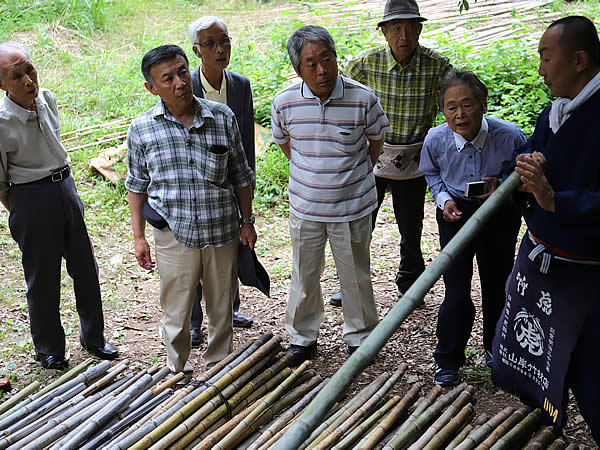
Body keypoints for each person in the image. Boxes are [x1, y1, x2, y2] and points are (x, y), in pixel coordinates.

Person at [491, 16, 600, 443]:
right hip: (543, 263)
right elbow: (530, 158)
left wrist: (557, 201)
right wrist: (520, 169)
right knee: (540, 361)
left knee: (588, 368)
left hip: (586, 273)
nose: (540, 69)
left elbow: (562, 192)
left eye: (545, 57)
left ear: (578, 59)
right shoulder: (552, 113)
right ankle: (546, 426)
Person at [126, 45, 256, 372]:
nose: (179, 83)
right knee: (176, 309)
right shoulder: (142, 129)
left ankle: (219, 367)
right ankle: (176, 370)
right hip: (173, 234)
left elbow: (241, 175)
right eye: (167, 79)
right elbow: (137, 185)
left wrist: (247, 221)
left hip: (221, 230)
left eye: (182, 72)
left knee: (222, 306)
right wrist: (139, 237)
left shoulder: (221, 117)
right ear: (151, 88)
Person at [271, 25, 391, 362]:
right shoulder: (284, 103)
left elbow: (376, 140)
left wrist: (352, 174)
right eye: (311, 63)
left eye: (328, 59)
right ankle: (302, 338)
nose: (322, 69)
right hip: (306, 207)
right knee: (304, 275)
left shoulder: (362, 98)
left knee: (355, 275)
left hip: (352, 207)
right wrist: (313, 175)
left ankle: (361, 338)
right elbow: (285, 144)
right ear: (298, 70)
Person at [0, 42, 118, 369]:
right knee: (43, 278)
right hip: (29, 197)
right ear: (2, 84)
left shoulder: (47, 99)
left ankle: (94, 337)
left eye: (30, 70)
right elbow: (1, 182)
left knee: (85, 268)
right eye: (16, 76)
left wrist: (62, 190)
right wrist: (24, 210)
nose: (28, 80)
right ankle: (49, 348)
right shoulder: (1, 123)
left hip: (65, 186)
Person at [338, 0, 451, 307]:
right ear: (384, 32)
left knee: (411, 225)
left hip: (413, 158)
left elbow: (451, 105)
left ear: (420, 29)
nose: (404, 36)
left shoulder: (437, 66)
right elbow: (344, 105)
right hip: (371, 154)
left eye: (411, 27)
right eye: (397, 28)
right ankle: (350, 284)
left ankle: (411, 284)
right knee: (360, 222)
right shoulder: (364, 64)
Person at [420, 70, 524, 386]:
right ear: (442, 111)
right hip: (455, 214)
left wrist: (504, 186)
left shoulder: (510, 137)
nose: (460, 114)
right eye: (451, 107)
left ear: (483, 104)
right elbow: (432, 174)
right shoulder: (435, 139)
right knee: (456, 289)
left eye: (467, 104)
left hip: (498, 213)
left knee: (498, 284)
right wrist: (443, 200)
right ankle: (448, 359)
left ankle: (499, 352)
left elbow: (525, 175)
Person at [187, 16, 255, 344]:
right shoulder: (185, 86)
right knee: (198, 252)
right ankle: (193, 320)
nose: (220, 49)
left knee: (233, 247)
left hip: (232, 179)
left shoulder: (240, 85)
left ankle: (231, 307)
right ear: (196, 51)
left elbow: (247, 143)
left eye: (224, 41)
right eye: (210, 44)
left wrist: (248, 190)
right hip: (198, 184)